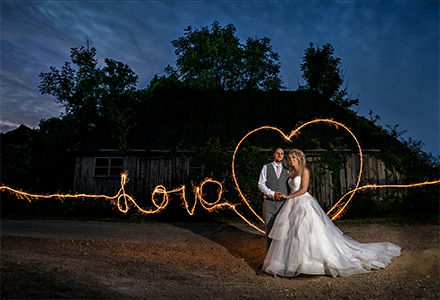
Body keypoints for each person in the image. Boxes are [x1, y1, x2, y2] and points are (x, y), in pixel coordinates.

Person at [262, 149, 401, 278]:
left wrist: (288, 197)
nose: (291, 160)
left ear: (299, 158)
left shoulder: (304, 171)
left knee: (307, 231)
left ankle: (312, 261)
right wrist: (275, 195)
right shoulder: (290, 173)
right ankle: (291, 262)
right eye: (289, 158)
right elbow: (287, 188)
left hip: (303, 202)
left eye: (293, 157)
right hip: (291, 203)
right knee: (291, 232)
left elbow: (303, 189)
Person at [258, 148, 289, 251]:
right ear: (274, 155)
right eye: (278, 153)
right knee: (270, 229)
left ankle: (279, 257)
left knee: (282, 230)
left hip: (282, 204)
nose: (280, 155)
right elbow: (261, 184)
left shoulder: (287, 170)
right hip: (269, 203)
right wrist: (272, 193)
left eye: (282, 153)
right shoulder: (266, 167)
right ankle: (269, 258)